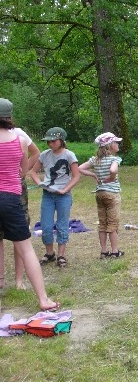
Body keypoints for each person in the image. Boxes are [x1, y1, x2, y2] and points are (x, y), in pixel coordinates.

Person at [0, 99, 60, 311]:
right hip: (11, 199)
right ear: (9, 116)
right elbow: (23, 171)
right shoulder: (20, 141)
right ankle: (43, 299)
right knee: (26, 249)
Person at [28, 127, 80, 269]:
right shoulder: (44, 155)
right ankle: (50, 253)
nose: (50, 144)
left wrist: (65, 189)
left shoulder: (69, 155)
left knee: (62, 224)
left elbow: (76, 176)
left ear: (61, 140)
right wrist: (39, 183)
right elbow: (33, 172)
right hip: (48, 195)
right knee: (46, 225)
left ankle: (61, 255)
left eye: (53, 141)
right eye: (48, 141)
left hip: (63, 196)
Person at [0, 104, 39, 290]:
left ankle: (19, 279)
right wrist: (21, 171)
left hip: (15, 189)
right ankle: (2, 280)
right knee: (18, 239)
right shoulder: (18, 137)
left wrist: (21, 173)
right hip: (10, 191)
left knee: (19, 237)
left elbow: (35, 153)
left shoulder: (19, 134)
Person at [79, 132, 124, 258]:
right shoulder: (115, 159)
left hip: (99, 194)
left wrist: (94, 175)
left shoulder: (95, 160)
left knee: (102, 223)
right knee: (113, 224)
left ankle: (104, 251)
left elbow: (80, 168)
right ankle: (114, 251)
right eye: (116, 142)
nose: (118, 144)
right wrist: (112, 177)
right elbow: (113, 170)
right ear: (110, 145)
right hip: (112, 194)